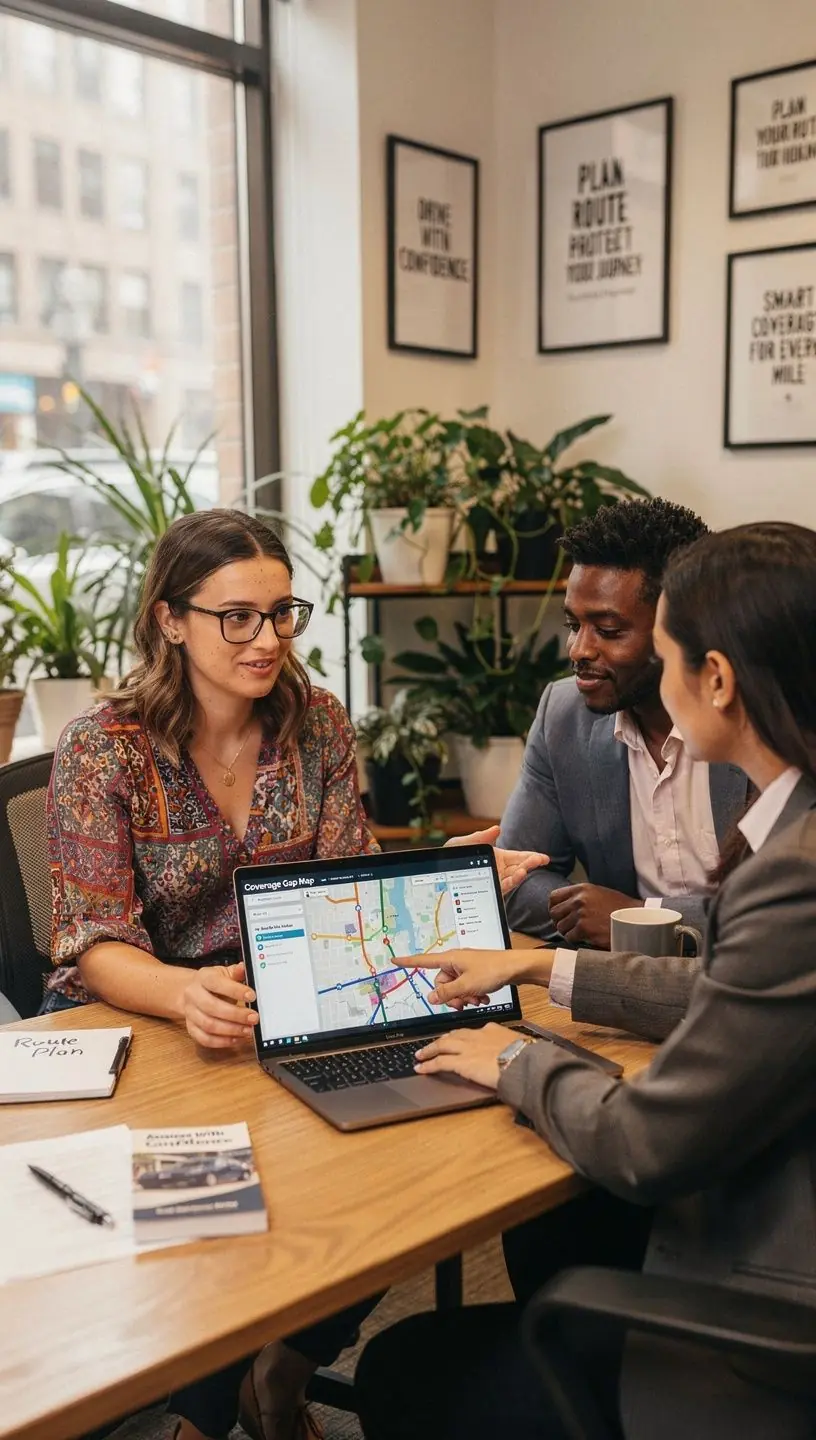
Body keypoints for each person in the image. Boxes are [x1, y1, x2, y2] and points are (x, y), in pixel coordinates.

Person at [45, 507, 545, 1440]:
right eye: (238, 615)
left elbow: (343, 883)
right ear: (170, 620)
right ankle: (196, 1414)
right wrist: (183, 991)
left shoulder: (316, 724)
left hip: (290, 1000)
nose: (267, 638)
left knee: (397, 1179)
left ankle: (284, 1370)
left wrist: (437, 870)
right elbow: (92, 937)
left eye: (282, 613)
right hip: (143, 1020)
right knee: (222, 1222)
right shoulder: (103, 746)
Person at [355, 521, 816, 1440]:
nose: (578, 655)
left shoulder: (793, 870)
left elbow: (646, 1145)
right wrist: (542, 966)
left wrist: (515, 1062)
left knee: (400, 1367)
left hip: (762, 1344)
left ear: (713, 678)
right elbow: (738, 993)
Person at [500, 497, 749, 949]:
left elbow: (782, 908)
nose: (579, 649)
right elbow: (514, 879)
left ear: (684, 627)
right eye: (573, 624)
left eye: (609, 631)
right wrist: (596, 914)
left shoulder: (758, 716)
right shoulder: (564, 714)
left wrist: (635, 918)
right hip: (617, 992)